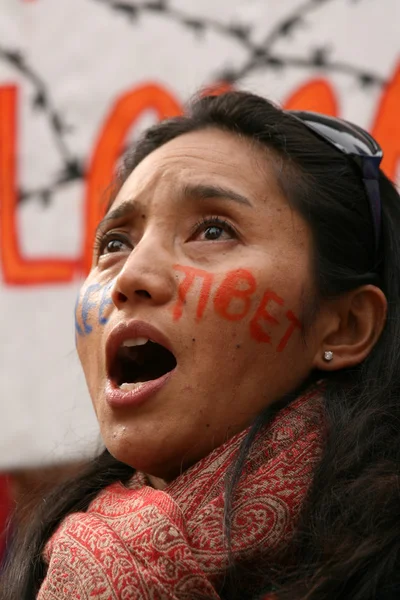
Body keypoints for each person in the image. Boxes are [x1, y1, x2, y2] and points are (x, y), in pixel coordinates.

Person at [1, 91, 399, 600]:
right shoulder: (50, 572)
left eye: (212, 231)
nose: (131, 277)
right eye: (115, 243)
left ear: (344, 326)